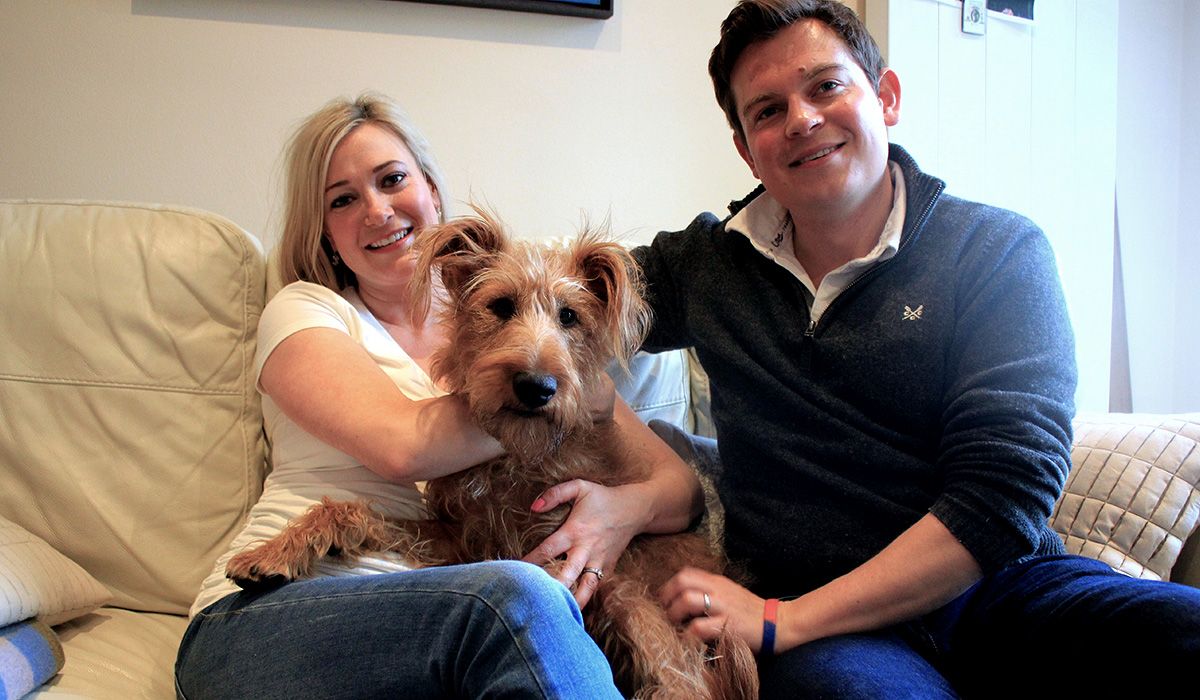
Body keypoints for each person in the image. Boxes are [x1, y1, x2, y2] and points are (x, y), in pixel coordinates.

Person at [628, 1, 1200, 696]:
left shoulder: (996, 251)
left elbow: (1003, 497)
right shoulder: (705, 266)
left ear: (886, 97)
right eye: (768, 110)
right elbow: (550, 309)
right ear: (748, 150)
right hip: (838, 638)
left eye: (826, 86)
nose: (802, 119)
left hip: (1005, 590)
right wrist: (632, 491)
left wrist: (782, 621)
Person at [173, 92, 703, 699]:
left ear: (429, 187)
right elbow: (404, 448)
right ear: (323, 231)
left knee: (529, 604)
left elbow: (680, 490)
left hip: (446, 617)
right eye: (343, 199)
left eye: (392, 179)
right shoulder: (304, 308)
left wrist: (620, 511)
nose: (377, 211)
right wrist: (569, 394)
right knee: (520, 596)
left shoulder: (522, 325)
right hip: (272, 609)